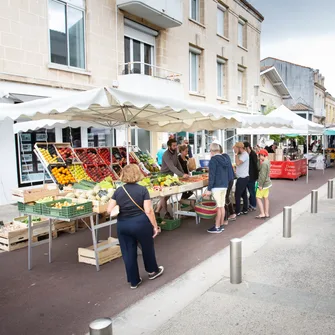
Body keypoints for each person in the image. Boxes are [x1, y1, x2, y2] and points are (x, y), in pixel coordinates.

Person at [107, 164, 164, 289]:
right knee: (147, 248)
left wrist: (119, 207)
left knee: (128, 252)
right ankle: (152, 271)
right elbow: (148, 211)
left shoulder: (118, 191)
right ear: (137, 174)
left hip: (123, 225)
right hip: (141, 223)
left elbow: (109, 210)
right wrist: (155, 226)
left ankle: (134, 281)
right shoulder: (143, 190)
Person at [155, 139, 189, 219]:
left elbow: (177, 164)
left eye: (176, 145)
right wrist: (181, 174)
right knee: (164, 195)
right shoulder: (166, 155)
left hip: (170, 176)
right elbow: (172, 167)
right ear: (169, 146)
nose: (175, 147)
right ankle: (166, 213)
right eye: (173, 146)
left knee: (168, 194)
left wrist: (183, 173)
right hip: (163, 177)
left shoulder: (175, 152)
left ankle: (157, 211)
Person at [204, 143, 230, 233]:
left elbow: (212, 175)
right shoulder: (224, 158)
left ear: (212, 151)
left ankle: (217, 227)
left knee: (218, 207)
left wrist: (209, 189)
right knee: (221, 206)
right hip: (224, 185)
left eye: (210, 150)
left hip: (217, 186)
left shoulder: (213, 160)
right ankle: (221, 225)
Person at [231, 142, 249, 218]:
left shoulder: (244, 155)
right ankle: (245, 209)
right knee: (243, 194)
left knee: (237, 195)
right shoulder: (242, 154)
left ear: (239, 148)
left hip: (243, 178)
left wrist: (235, 154)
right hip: (242, 177)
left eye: (235, 148)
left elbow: (238, 163)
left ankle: (238, 211)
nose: (234, 150)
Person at [255, 149, 272, 219]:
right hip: (267, 183)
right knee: (266, 198)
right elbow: (259, 168)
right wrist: (260, 161)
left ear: (262, 155)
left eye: (259, 155)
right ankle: (266, 213)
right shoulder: (267, 162)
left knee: (258, 197)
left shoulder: (264, 164)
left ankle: (262, 213)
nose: (259, 157)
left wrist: (260, 185)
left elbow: (262, 175)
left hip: (263, 184)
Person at [244, 141, 259, 211]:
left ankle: (253, 205)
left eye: (244, 148)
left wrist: (256, 176)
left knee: (252, 191)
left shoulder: (253, 154)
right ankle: (250, 204)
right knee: (250, 191)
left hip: (252, 176)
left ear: (247, 148)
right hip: (248, 175)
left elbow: (255, 166)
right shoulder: (248, 154)